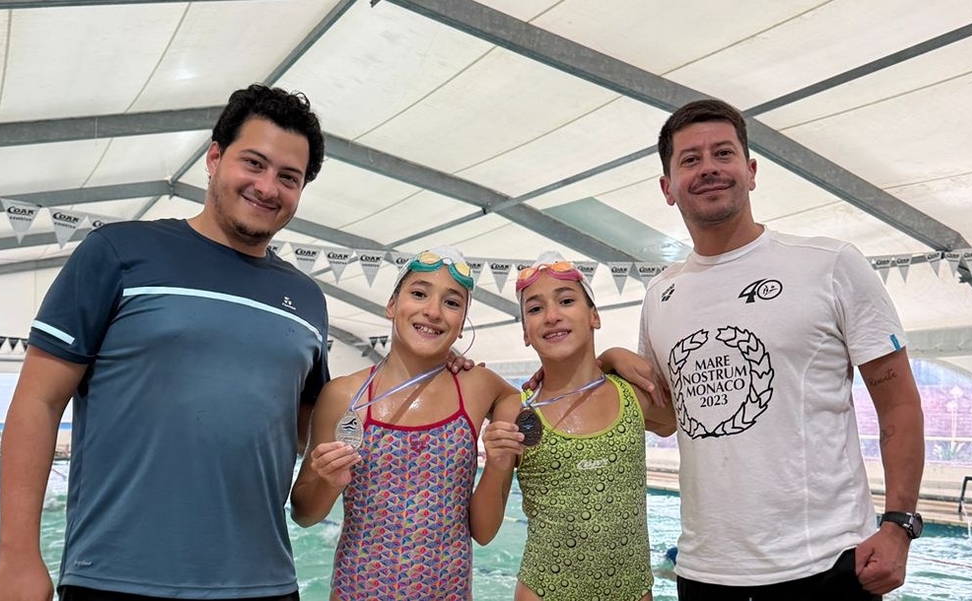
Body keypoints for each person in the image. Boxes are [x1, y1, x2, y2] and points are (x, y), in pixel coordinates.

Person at [0, 84, 328, 601]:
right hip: (115, 578)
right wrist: (18, 557)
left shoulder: (306, 299)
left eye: (289, 177)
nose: (267, 187)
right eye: (253, 163)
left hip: (263, 582)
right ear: (214, 158)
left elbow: (314, 423)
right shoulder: (119, 253)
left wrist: (437, 367)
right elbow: (39, 401)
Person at [607, 98, 925, 600]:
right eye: (690, 159)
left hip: (826, 561)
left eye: (723, 153)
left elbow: (899, 402)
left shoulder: (829, 264)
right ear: (668, 187)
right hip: (706, 570)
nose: (708, 168)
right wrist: (602, 363)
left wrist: (899, 525)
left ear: (751, 171)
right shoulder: (661, 294)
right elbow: (666, 419)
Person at [290, 245, 521, 601]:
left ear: (462, 324)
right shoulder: (344, 395)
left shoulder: (476, 387)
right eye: (419, 294)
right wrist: (327, 481)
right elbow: (304, 514)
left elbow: (484, 532)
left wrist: (499, 461)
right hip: (357, 592)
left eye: (452, 302)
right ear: (391, 305)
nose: (433, 311)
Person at [470, 251, 677, 601]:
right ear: (525, 332)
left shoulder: (631, 395)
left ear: (594, 316)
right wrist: (496, 464)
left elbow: (673, 421)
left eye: (566, 301)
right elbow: (484, 531)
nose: (552, 316)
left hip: (632, 591)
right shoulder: (517, 412)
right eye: (535, 309)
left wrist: (610, 357)